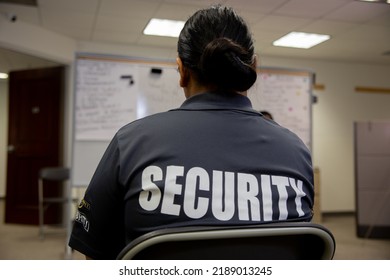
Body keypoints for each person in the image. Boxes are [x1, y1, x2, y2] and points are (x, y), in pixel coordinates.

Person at [68, 5, 314, 260]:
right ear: (253, 66)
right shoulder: (296, 152)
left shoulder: (131, 143)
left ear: (182, 71)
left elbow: (96, 255)